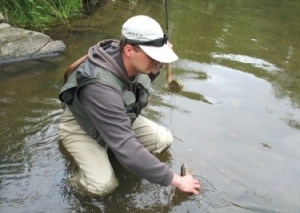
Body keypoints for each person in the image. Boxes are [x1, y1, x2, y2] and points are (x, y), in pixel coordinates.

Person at [58, 15, 200, 195]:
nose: (157, 62)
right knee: (103, 186)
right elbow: (127, 147)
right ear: (129, 50)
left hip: (114, 117)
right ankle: (73, 182)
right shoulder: (100, 87)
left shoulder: (127, 59)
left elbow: (142, 80)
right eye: (153, 57)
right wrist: (177, 180)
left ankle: (109, 151)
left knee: (162, 140)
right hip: (81, 127)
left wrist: (157, 64)